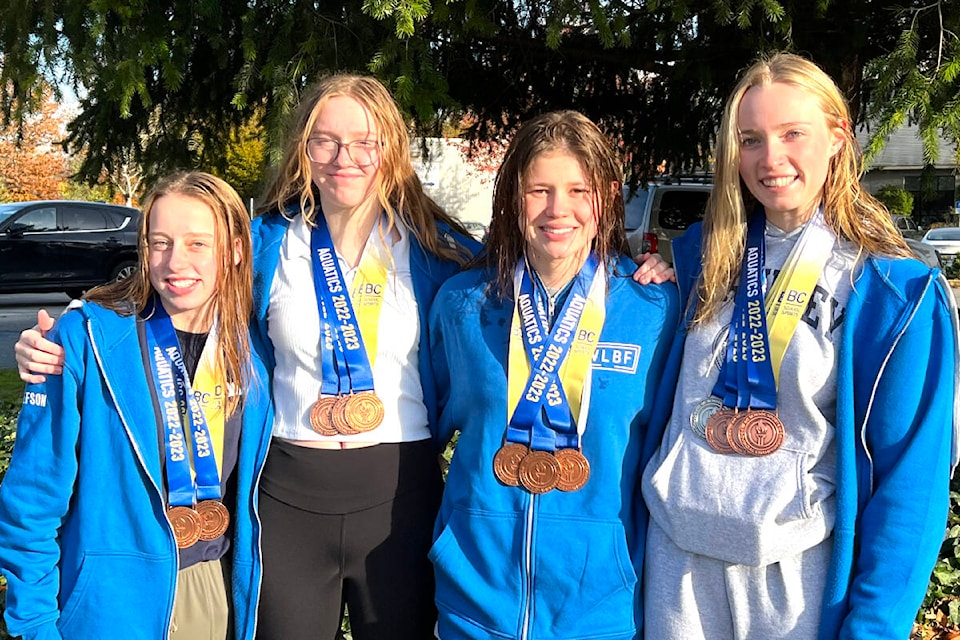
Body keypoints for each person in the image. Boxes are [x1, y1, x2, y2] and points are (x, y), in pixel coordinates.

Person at [12, 76, 674, 639]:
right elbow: (186, 299)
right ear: (304, 149)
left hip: (399, 495)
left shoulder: (440, 252)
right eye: (325, 140)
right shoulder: (266, 242)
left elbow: (467, 369)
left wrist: (661, 261)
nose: (344, 158)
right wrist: (71, 331)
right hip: (290, 496)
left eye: (364, 141)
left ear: (390, 149)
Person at [641, 52, 960, 639]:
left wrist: (874, 627)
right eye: (751, 139)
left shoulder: (897, 294)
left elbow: (912, 484)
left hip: (796, 585)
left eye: (793, 134)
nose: (771, 159)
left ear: (838, 137)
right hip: (676, 568)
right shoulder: (694, 263)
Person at [427, 110, 679, 639]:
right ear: (513, 198)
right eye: (538, 190)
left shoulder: (653, 310)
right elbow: (422, 428)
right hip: (475, 602)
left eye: (577, 190)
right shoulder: (462, 306)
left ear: (608, 196)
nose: (557, 209)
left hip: (599, 608)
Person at [0, 172, 273, 639]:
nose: (174, 261)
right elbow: (32, 501)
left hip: (215, 587)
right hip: (110, 600)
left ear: (234, 250)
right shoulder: (85, 341)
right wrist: (34, 623)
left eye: (197, 244)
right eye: (160, 242)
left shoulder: (258, 349)